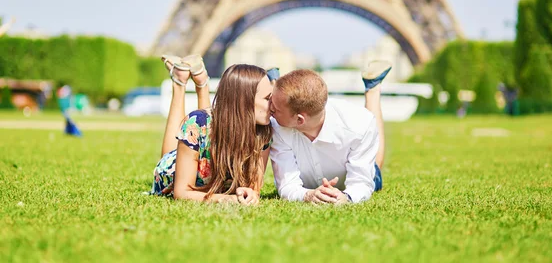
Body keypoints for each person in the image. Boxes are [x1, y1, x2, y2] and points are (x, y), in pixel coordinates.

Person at [150, 55, 273, 205]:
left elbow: (254, 189)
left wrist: (249, 194)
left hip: (209, 158)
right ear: (244, 101)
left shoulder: (263, 131)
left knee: (207, 125)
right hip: (173, 172)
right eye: (268, 98)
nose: (273, 105)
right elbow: (181, 192)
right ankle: (179, 82)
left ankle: (201, 82)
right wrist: (226, 198)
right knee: (174, 152)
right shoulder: (195, 124)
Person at [269, 61, 391, 204]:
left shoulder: (359, 125)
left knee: (374, 167)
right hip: (298, 112)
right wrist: (308, 195)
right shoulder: (278, 125)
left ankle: (372, 89)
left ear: (300, 120)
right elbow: (287, 184)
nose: (268, 108)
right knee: (288, 103)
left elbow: (361, 182)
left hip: (358, 145)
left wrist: (347, 197)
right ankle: (275, 87)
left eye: (275, 108)